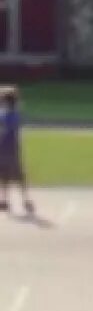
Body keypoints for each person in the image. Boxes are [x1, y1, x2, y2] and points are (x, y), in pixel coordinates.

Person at [0, 87, 32, 218]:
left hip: (7, 149)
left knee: (13, 176)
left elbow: (6, 128)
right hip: (9, 149)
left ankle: (20, 200)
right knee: (11, 176)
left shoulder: (8, 114)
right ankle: (11, 200)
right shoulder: (12, 114)